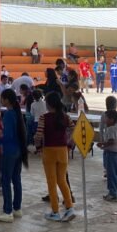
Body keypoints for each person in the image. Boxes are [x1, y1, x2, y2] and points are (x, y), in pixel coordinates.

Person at [34, 92, 76, 222]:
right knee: (62, 180)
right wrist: (70, 143)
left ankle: (55, 211)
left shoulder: (43, 118)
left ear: (49, 104)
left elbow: (38, 135)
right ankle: (69, 208)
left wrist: (37, 146)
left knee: (51, 182)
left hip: (49, 152)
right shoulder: (65, 117)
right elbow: (74, 130)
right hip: (63, 151)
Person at [0, 89, 28, 222]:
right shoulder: (17, 114)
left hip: (9, 151)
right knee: (16, 179)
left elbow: (7, 135)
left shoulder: (7, 115)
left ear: (7, 100)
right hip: (18, 150)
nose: (1, 100)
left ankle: (7, 211)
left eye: (2, 98)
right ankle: (16, 208)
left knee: (6, 180)